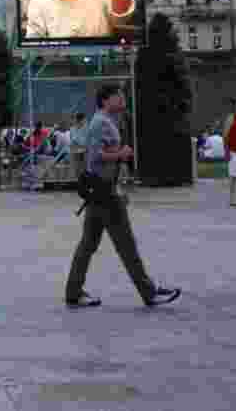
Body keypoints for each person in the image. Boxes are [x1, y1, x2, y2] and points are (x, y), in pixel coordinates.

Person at [64, 84, 181, 309]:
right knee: (127, 245)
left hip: (100, 193)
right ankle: (149, 292)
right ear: (106, 100)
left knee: (88, 244)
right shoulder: (101, 123)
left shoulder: (104, 121)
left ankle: (74, 291)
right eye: (119, 96)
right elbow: (95, 156)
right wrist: (121, 153)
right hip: (106, 194)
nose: (123, 99)